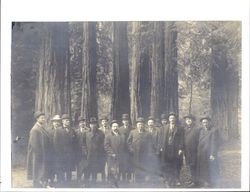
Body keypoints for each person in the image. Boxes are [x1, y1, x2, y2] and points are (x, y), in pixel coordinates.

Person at [158, 112, 184, 187]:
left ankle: (176, 179)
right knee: (167, 164)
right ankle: (167, 179)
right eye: (170, 118)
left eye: (173, 118)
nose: (172, 120)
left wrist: (180, 148)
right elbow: (161, 138)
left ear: (175, 119)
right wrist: (161, 147)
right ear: (168, 119)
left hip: (175, 149)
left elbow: (182, 139)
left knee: (176, 164)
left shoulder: (179, 128)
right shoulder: (164, 128)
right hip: (166, 149)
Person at [27, 112, 52, 187]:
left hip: (43, 154)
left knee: (42, 172)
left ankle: (41, 184)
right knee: (38, 172)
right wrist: (40, 155)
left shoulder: (41, 128)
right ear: (37, 119)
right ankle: (37, 186)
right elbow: (35, 145)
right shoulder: (35, 129)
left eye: (44, 118)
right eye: (42, 118)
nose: (44, 119)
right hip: (37, 156)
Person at [196, 117, 220, 188]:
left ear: (209, 122)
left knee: (210, 168)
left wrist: (212, 154)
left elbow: (214, 143)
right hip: (201, 153)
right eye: (203, 123)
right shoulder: (201, 130)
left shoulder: (214, 130)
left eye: (206, 122)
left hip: (209, 153)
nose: (205, 124)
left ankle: (210, 183)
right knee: (203, 167)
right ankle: (205, 181)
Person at [127, 117, 150, 183]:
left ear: (143, 125)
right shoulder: (132, 132)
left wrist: (148, 151)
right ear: (137, 125)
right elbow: (128, 141)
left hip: (144, 154)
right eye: (139, 124)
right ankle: (136, 180)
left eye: (141, 124)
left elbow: (150, 143)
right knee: (136, 166)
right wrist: (131, 148)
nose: (140, 126)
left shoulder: (147, 133)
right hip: (135, 153)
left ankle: (143, 180)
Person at [104, 120, 126, 187]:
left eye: (116, 126)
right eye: (114, 126)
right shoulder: (108, 136)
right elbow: (106, 146)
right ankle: (110, 185)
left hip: (119, 156)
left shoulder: (122, 136)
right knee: (111, 171)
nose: (115, 128)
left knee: (118, 171)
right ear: (111, 127)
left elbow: (123, 146)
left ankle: (117, 184)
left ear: (118, 127)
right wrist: (112, 153)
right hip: (111, 157)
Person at [85, 117, 105, 185]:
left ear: (97, 125)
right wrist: (85, 152)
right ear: (89, 125)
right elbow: (83, 144)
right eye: (91, 124)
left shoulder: (101, 133)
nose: (93, 125)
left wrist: (99, 152)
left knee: (94, 169)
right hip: (88, 155)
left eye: (94, 124)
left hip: (97, 155)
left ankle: (94, 183)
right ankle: (86, 183)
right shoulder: (86, 133)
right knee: (87, 169)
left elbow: (103, 144)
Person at [182, 114, 200, 187]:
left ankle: (195, 182)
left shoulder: (197, 129)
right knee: (190, 166)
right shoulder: (185, 129)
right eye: (187, 119)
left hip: (195, 151)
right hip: (187, 151)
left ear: (193, 120)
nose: (188, 121)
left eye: (190, 119)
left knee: (194, 166)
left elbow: (199, 140)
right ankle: (192, 179)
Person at [61, 114, 77, 183]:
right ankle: (62, 183)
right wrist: (59, 154)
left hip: (71, 154)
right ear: (62, 121)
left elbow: (75, 142)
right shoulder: (58, 130)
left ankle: (69, 183)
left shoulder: (72, 130)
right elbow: (56, 144)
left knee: (69, 170)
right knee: (62, 169)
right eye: (66, 120)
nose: (68, 122)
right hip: (62, 154)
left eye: (69, 120)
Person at [75, 116, 89, 185]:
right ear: (79, 123)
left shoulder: (88, 130)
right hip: (78, 153)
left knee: (86, 166)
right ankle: (79, 181)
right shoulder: (76, 131)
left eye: (83, 122)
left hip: (87, 152)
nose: (82, 123)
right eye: (81, 122)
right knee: (79, 167)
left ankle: (86, 181)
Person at [118, 113, 133, 182]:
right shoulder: (119, 129)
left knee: (129, 163)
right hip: (122, 150)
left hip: (129, 149)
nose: (125, 121)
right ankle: (123, 177)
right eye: (124, 120)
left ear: (128, 121)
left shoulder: (132, 128)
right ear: (122, 121)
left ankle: (129, 177)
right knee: (122, 163)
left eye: (127, 120)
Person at [146, 116, 160, 184]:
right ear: (147, 123)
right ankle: (148, 176)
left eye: (152, 122)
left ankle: (155, 177)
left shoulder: (157, 130)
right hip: (147, 150)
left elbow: (159, 140)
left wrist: (158, 149)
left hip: (155, 150)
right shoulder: (145, 130)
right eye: (149, 122)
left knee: (155, 163)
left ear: (154, 123)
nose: (150, 124)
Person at [98, 116, 109, 181]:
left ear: (107, 122)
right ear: (101, 123)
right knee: (102, 163)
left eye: (105, 121)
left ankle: (109, 178)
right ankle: (103, 177)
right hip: (101, 150)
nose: (104, 123)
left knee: (109, 164)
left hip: (108, 149)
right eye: (103, 121)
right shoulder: (99, 130)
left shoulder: (110, 129)